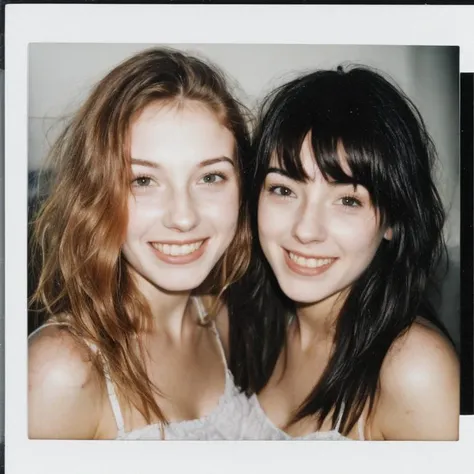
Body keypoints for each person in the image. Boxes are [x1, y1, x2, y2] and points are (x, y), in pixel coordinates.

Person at [28, 47, 253, 440]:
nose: (183, 217)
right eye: (143, 181)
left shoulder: (218, 319)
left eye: (211, 177)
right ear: (96, 195)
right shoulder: (61, 373)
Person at [227, 65, 460, 440]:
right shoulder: (254, 321)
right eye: (284, 190)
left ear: (393, 221)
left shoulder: (414, 369)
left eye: (348, 200)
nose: (305, 229)